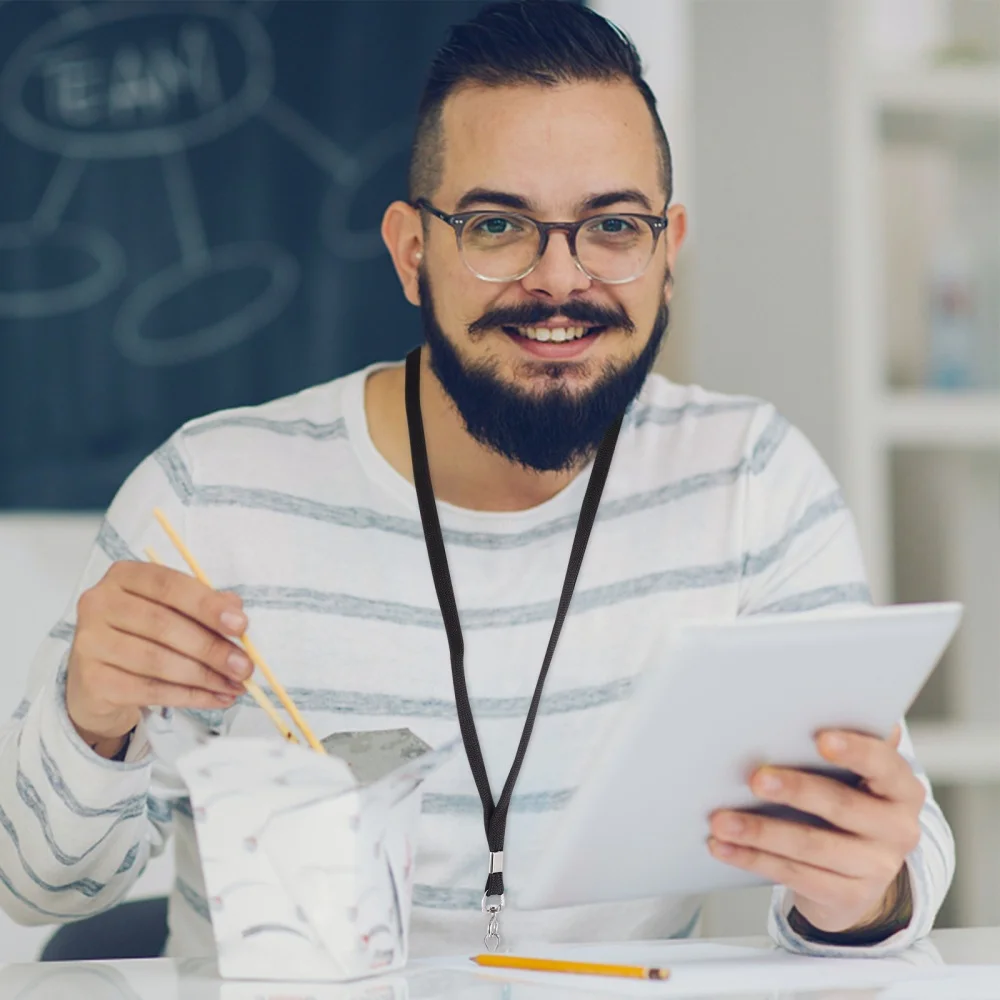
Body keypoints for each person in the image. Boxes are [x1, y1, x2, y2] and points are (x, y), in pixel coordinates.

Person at [0, 0, 952, 961]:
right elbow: (35, 882)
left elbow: (901, 854)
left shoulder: (751, 481)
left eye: (613, 226)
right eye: (499, 225)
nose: (559, 278)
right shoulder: (211, 494)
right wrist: (93, 719)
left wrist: (866, 885)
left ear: (667, 252)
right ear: (414, 253)